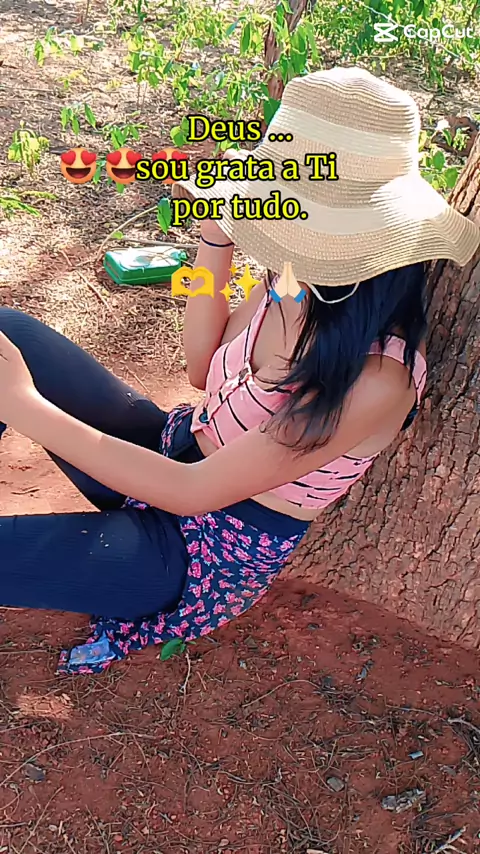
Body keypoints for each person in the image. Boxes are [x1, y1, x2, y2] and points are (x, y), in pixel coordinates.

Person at [0, 67, 478, 674]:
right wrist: (213, 243)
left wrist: (23, 406)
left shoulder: (378, 379)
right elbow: (202, 368)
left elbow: (193, 494)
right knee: (10, 331)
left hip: (200, 548)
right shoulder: (294, 278)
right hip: (171, 450)